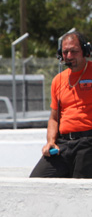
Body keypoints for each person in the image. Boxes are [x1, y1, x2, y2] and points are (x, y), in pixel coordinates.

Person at [30, 31, 92, 178]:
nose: (69, 56)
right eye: (65, 52)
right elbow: (54, 118)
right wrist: (50, 142)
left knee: (80, 186)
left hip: (88, 143)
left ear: (85, 51)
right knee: (36, 181)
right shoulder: (58, 80)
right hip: (63, 144)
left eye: (74, 51)